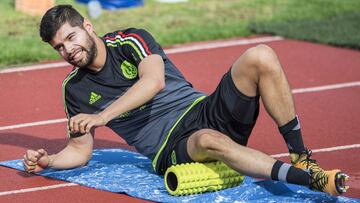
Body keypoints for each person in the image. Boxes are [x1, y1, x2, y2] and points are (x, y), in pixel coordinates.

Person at [23, 4, 348, 196]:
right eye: (59, 47)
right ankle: (309, 180)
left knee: (259, 55)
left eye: (71, 37)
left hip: (203, 109)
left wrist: (103, 116)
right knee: (208, 139)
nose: (68, 50)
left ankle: (301, 155)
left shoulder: (130, 40)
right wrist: (49, 162)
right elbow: (80, 151)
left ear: (88, 27)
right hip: (173, 147)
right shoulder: (74, 89)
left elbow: (154, 81)